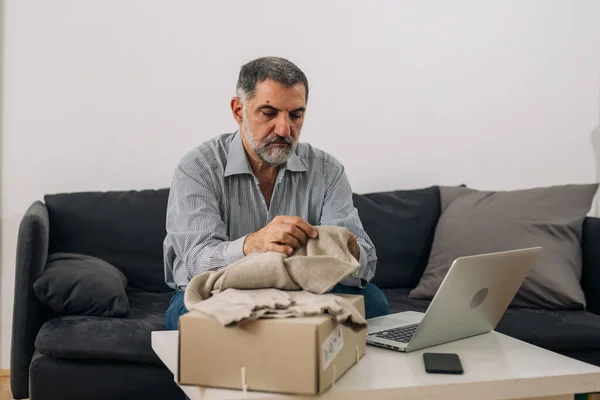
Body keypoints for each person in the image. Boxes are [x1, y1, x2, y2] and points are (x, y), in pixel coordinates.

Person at [164, 57, 390, 330]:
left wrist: (348, 251)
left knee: (374, 302)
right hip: (221, 292)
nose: (284, 129)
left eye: (296, 115)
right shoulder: (197, 168)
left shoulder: (328, 170)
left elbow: (366, 265)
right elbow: (195, 263)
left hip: (305, 289)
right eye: (269, 113)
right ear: (238, 110)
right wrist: (254, 244)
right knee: (185, 319)